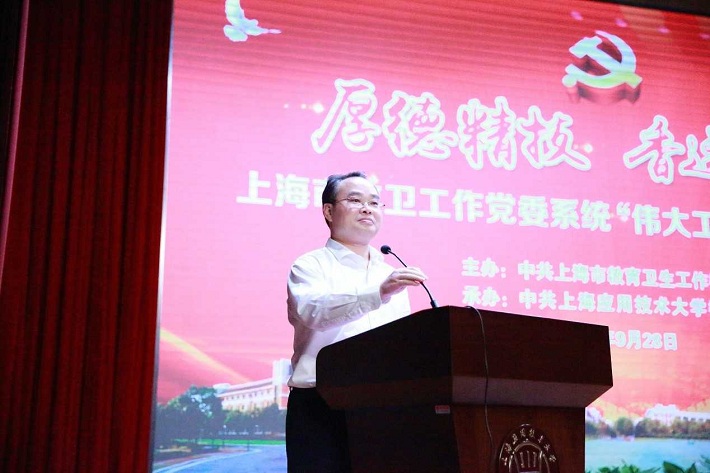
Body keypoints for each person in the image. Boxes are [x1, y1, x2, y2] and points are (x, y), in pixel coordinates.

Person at [285, 171, 428, 472]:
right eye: (355, 200)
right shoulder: (310, 265)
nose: (367, 209)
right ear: (328, 211)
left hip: (383, 408)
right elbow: (314, 311)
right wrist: (378, 293)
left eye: (374, 203)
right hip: (321, 406)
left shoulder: (390, 273)